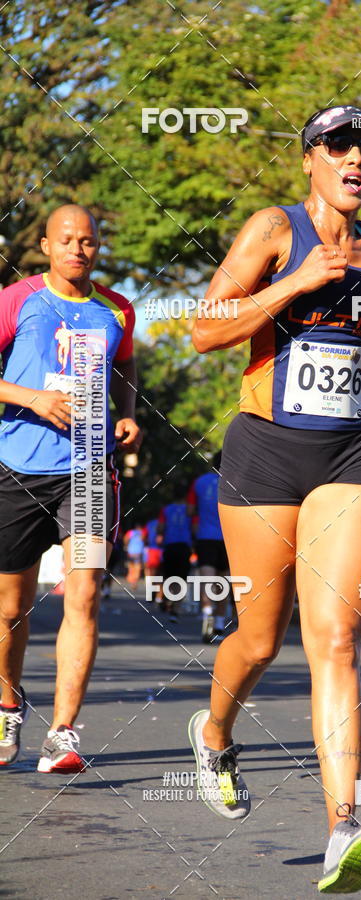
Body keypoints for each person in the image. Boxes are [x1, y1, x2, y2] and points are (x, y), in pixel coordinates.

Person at [189, 105, 361, 893]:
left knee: (336, 636)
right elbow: (202, 329)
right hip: (264, 452)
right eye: (341, 146)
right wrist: (295, 282)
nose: (358, 159)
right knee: (260, 642)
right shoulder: (274, 229)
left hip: (350, 452)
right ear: (311, 160)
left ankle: (343, 829)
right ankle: (216, 733)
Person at [0, 204, 140, 772]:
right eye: (66, 240)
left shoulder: (118, 311)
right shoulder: (17, 299)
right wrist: (32, 398)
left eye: (87, 241)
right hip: (16, 467)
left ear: (96, 248)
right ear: (44, 245)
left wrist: (128, 414)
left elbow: (126, 370)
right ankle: (7, 705)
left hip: (86, 470)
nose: (77, 250)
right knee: (9, 607)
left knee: (82, 594)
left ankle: (62, 733)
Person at [187, 451, 230, 642]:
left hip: (205, 536)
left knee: (207, 578)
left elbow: (189, 510)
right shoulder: (236, 481)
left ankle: (206, 614)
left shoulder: (199, 482)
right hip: (230, 537)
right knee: (224, 581)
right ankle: (220, 624)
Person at [157, 487, 193, 623]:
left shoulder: (166, 510)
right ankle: (176, 609)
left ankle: (169, 598)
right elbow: (194, 527)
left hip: (170, 545)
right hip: (184, 546)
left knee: (168, 576)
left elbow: (160, 528)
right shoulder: (189, 511)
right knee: (182, 578)